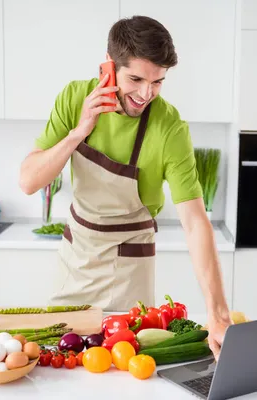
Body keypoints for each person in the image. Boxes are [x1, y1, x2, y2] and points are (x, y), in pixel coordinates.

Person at [19, 15, 232, 359]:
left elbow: (194, 221)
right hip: (77, 259)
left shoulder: (170, 127)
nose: (146, 93)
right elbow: (29, 180)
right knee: (59, 362)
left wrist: (219, 313)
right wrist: (78, 132)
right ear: (109, 66)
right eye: (135, 78)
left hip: (130, 267)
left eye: (158, 82)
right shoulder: (75, 99)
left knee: (123, 368)